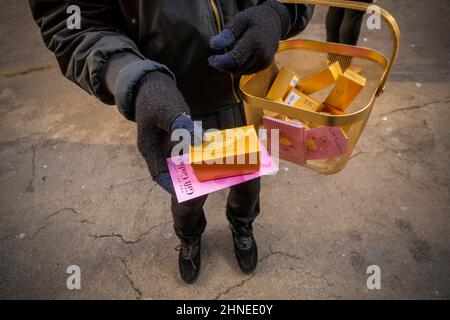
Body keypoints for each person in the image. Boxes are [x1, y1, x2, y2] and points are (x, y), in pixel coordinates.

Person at [29, 0, 314, 284]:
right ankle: (189, 237)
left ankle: (242, 225)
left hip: (252, 97)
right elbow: (71, 22)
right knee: (188, 198)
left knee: (248, 182)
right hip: (179, 109)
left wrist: (282, 11)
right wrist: (132, 76)